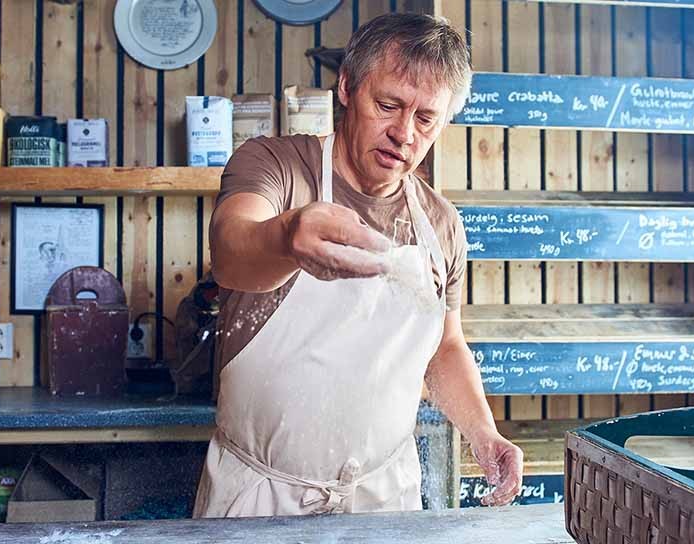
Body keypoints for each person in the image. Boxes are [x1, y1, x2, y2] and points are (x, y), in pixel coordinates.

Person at [195, 14, 523, 517]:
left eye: (426, 119)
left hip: (383, 498)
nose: (404, 134)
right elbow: (230, 254)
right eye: (388, 105)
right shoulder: (278, 168)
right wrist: (286, 237)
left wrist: (483, 433)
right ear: (347, 86)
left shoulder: (440, 224)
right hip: (260, 493)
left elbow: (445, 345)